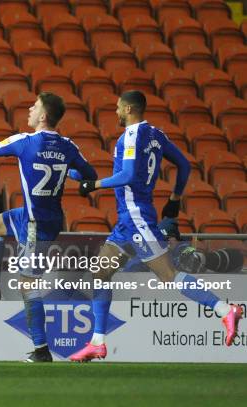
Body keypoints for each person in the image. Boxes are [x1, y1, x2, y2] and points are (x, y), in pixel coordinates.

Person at [69, 90, 243, 362]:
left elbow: (126, 175)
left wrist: (93, 185)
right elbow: (184, 165)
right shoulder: (157, 135)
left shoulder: (131, 136)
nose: (115, 112)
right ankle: (97, 342)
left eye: (117, 108)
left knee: (169, 276)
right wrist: (174, 200)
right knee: (100, 274)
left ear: (128, 109)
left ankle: (224, 309)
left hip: (137, 218)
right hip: (126, 222)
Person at [0, 92, 98, 362]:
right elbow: (91, 176)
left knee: (28, 285)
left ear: (44, 116)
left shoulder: (25, 141)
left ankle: (41, 350)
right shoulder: (68, 146)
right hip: (36, 215)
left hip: (36, 224)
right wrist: (66, 172)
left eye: (34, 106)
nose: (29, 109)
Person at [123, 218, 244, 274]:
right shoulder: (147, 253)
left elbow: (191, 256)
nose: (166, 242)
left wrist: (200, 258)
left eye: (169, 237)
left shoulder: (184, 248)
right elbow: (130, 271)